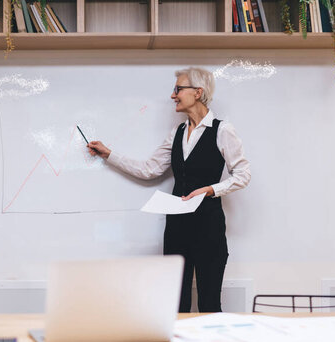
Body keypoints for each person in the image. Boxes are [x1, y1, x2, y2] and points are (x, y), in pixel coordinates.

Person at [87, 67, 251, 313]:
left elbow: (243, 174)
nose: (172, 95)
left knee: (209, 304)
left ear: (198, 92)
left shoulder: (222, 130)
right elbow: (150, 169)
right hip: (177, 229)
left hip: (209, 228)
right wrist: (109, 154)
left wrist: (209, 189)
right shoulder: (177, 133)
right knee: (176, 305)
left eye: (177, 89)